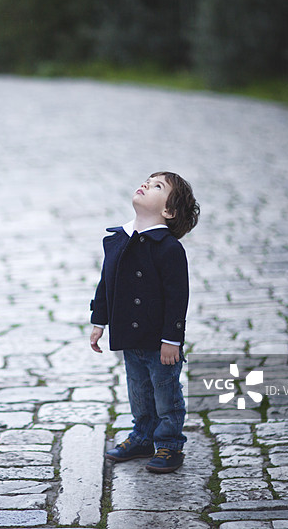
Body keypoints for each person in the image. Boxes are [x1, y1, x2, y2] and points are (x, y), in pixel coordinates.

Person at [89, 171, 199, 473]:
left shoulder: (169, 248)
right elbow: (106, 284)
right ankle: (142, 437)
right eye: (147, 181)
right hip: (129, 337)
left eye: (157, 186)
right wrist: (99, 321)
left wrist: (172, 340)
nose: (146, 185)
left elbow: (178, 298)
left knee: (166, 395)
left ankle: (169, 444)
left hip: (160, 342)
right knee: (138, 392)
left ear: (169, 211)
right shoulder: (118, 240)